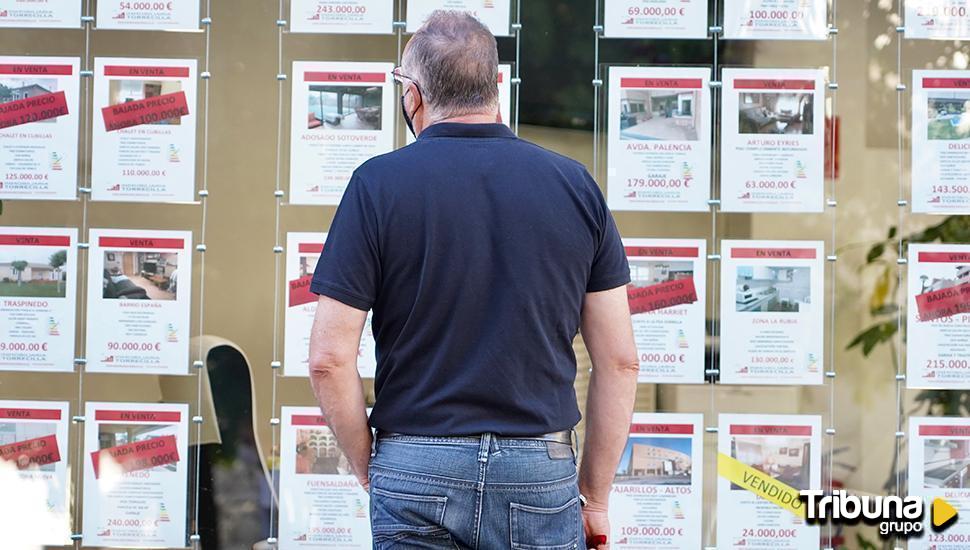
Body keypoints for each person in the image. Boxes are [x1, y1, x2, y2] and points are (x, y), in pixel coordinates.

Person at [307, 10, 638, 549]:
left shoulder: (376, 186)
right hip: (538, 467)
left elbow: (328, 359)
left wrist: (374, 469)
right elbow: (620, 361)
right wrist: (595, 498)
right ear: (497, 86)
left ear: (412, 96)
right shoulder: (575, 187)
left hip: (416, 458)